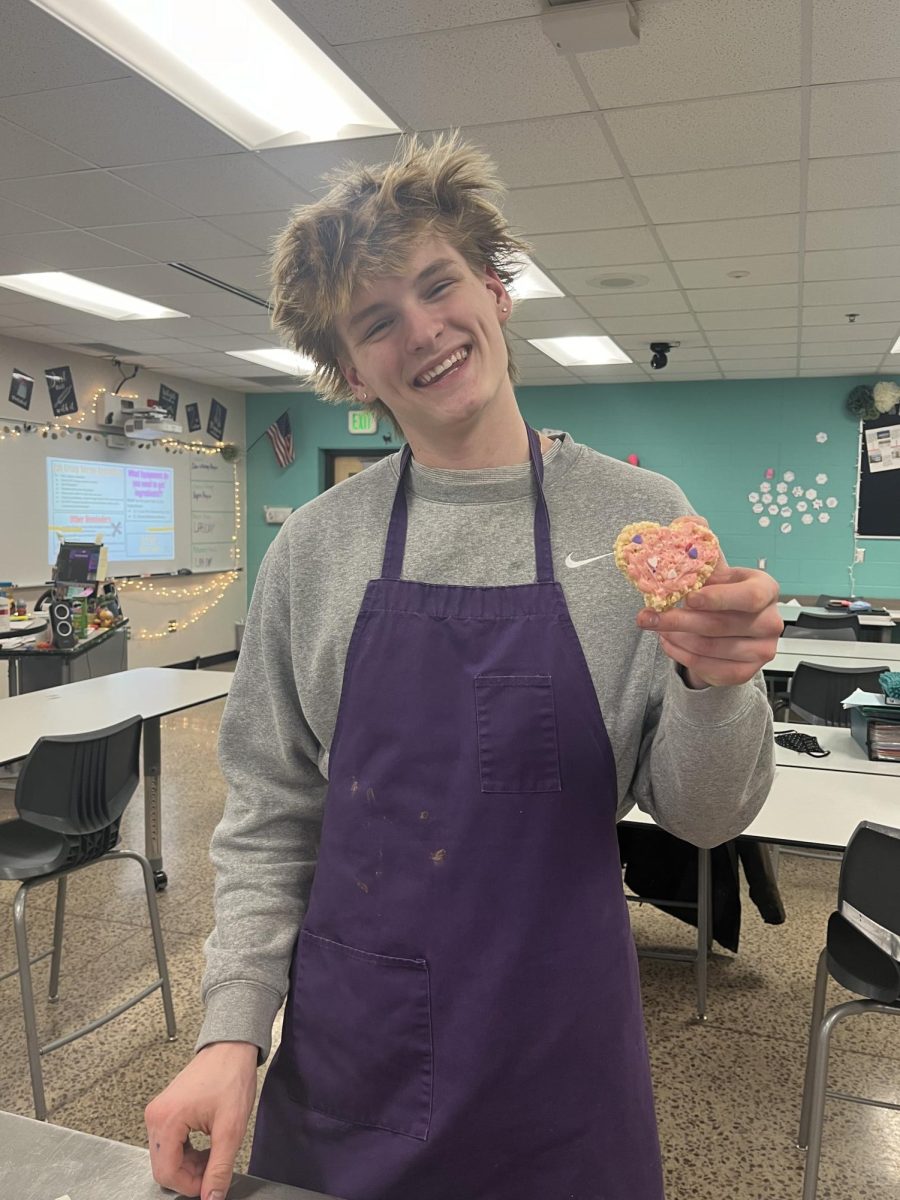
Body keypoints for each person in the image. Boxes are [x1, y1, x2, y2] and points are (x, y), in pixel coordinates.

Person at [146, 135, 781, 1200]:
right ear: (351, 371)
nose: (425, 330)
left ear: (496, 288)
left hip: (563, 1054)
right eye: (377, 320)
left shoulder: (642, 518)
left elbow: (706, 819)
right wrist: (229, 1033)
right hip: (360, 1054)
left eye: (440, 285)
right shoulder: (315, 549)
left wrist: (717, 686)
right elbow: (270, 815)